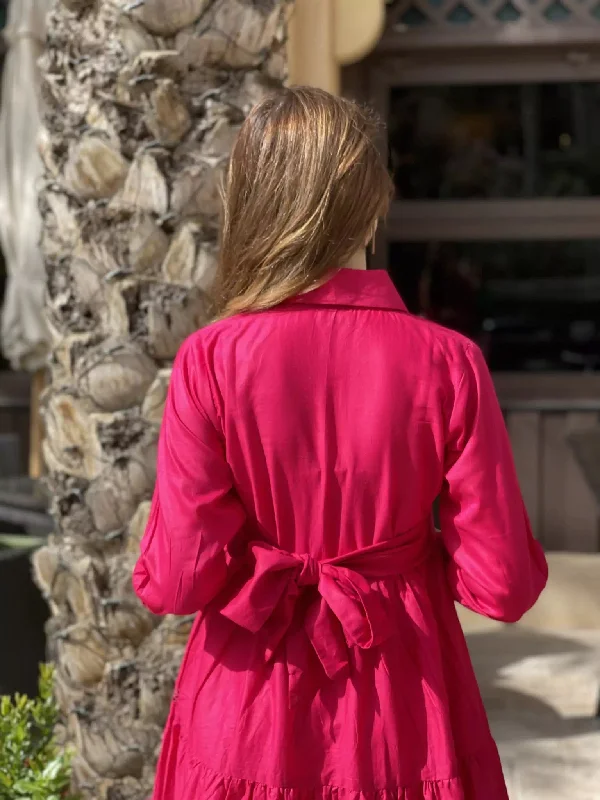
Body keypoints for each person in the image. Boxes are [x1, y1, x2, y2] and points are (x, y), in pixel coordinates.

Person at [133, 87, 548, 800]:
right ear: (372, 204)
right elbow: (503, 585)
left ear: (255, 203)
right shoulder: (448, 363)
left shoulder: (210, 360)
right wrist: (398, 555)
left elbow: (177, 580)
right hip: (409, 705)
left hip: (244, 713)